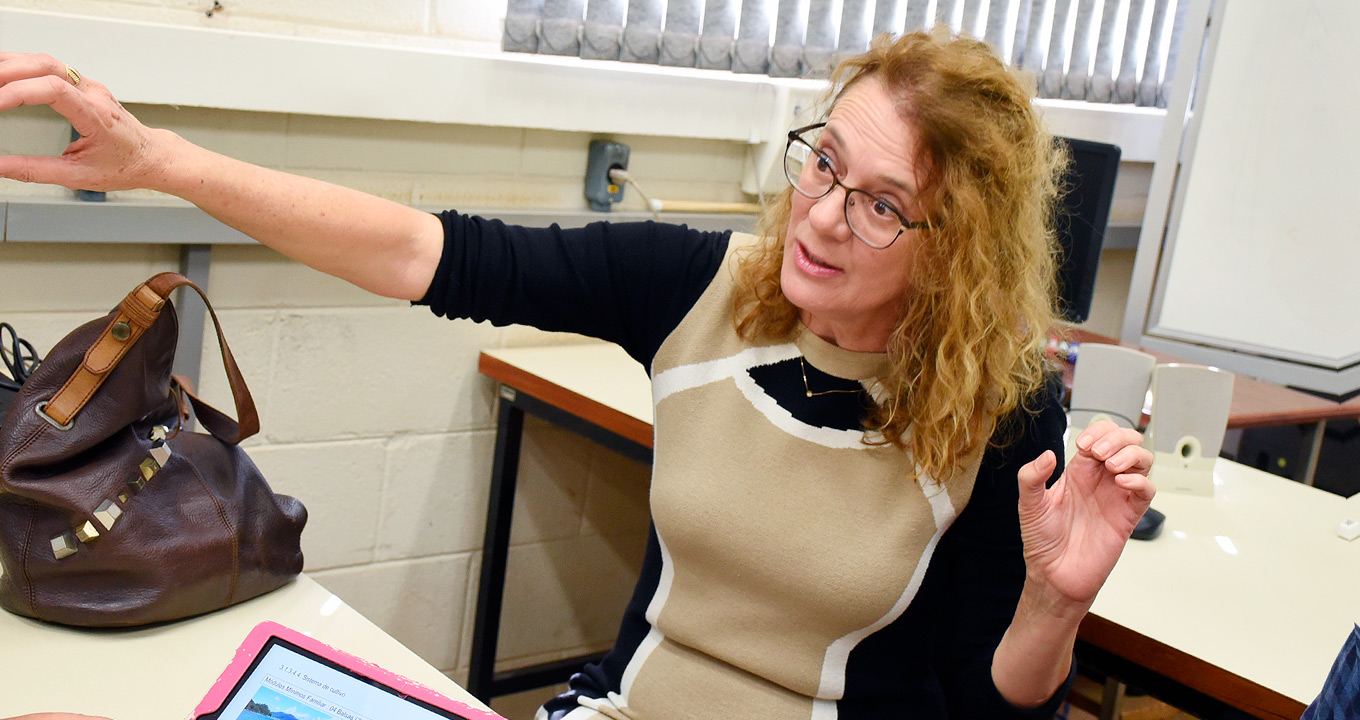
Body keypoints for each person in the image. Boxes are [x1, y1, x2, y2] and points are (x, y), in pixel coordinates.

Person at [0, 29, 1153, 720]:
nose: (824, 215)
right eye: (823, 164)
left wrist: (1055, 606)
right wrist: (162, 162)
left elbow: (993, 704)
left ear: (954, 244)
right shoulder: (707, 285)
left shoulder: (1007, 408)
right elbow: (425, 252)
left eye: (881, 206)